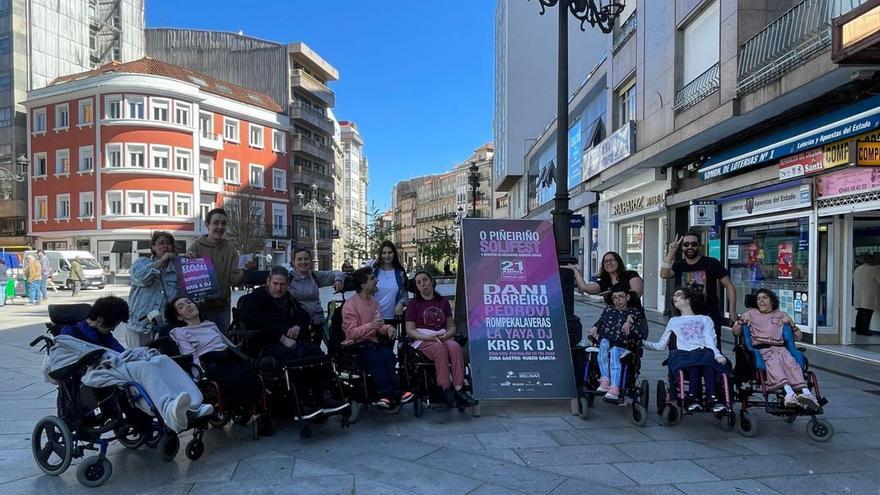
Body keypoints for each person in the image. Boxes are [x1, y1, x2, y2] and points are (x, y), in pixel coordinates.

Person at [59, 296, 213, 432]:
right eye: (113, 324)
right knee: (143, 368)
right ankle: (168, 411)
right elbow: (72, 359)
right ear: (100, 320)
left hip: (117, 364)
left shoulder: (105, 334)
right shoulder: (71, 333)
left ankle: (194, 405)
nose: (113, 328)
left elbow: (121, 352)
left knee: (162, 360)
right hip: (97, 370)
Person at [238, 267, 349, 418]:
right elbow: (254, 323)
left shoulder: (288, 298)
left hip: (291, 342)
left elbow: (303, 315)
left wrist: (298, 326)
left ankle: (324, 395)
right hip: (264, 344)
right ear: (268, 282)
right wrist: (281, 338)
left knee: (317, 354)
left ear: (288, 284)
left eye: (282, 284)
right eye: (275, 284)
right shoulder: (254, 299)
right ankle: (303, 403)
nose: (278, 288)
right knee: (295, 359)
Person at [165, 296, 263, 419]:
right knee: (228, 375)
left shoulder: (210, 324)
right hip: (209, 359)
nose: (188, 305)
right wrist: (199, 373)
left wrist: (241, 352)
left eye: (189, 302)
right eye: (181, 306)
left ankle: (256, 408)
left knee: (250, 370)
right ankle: (239, 406)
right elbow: (190, 355)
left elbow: (226, 342)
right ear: (179, 317)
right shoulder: (180, 332)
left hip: (227, 354)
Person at [644, 288, 730, 414]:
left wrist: (717, 354)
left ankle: (712, 398)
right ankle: (693, 398)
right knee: (695, 363)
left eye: (678, 295)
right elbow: (661, 345)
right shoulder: (674, 321)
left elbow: (710, 340)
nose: (674, 298)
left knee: (707, 362)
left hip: (703, 352)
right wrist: (642, 343)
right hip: (685, 354)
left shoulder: (705, 319)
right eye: (673, 297)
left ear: (688, 299)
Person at [732, 289, 820, 410]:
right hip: (762, 350)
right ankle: (789, 393)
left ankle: (807, 394)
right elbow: (736, 332)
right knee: (775, 361)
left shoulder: (781, 315)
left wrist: (792, 324)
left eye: (764, 298)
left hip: (781, 349)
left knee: (791, 362)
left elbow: (798, 337)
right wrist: (741, 320)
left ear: (772, 301)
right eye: (758, 299)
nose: (761, 301)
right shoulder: (750, 314)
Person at [404, 270, 478, 408]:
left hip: (442, 335)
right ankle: (445, 388)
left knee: (455, 347)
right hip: (423, 338)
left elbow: (451, 326)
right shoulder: (413, 304)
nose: (422, 284)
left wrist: (447, 335)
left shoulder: (442, 302)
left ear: (431, 281)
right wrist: (428, 337)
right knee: (439, 349)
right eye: (419, 283)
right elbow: (410, 330)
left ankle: (459, 388)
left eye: (425, 280)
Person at [341, 267, 412, 409]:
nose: (376, 280)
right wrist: (371, 326)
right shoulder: (350, 305)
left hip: (371, 342)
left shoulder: (374, 302)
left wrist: (388, 329)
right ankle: (384, 394)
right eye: (372, 278)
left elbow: (379, 325)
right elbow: (351, 333)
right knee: (375, 358)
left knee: (389, 356)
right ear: (363, 284)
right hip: (355, 345)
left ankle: (396, 392)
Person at [660, 232, 737, 349]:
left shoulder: (712, 263)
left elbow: (729, 285)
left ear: (699, 246)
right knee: (683, 349)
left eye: (693, 244)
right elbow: (664, 274)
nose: (690, 247)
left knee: (712, 349)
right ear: (682, 247)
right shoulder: (679, 265)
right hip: (685, 316)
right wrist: (671, 252)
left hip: (709, 314)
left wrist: (732, 311)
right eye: (686, 244)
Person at [186, 208, 248, 334]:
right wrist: (189, 262)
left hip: (222, 308)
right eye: (216, 223)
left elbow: (234, 281)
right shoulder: (195, 247)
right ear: (207, 225)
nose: (220, 226)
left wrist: (244, 271)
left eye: (223, 223)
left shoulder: (231, 249)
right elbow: (188, 280)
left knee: (222, 343)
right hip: (200, 309)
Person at [586, 285, 647, 401]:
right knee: (603, 343)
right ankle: (605, 379)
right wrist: (594, 328)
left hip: (624, 346)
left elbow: (640, 334)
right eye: (614, 298)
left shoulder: (633, 313)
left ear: (628, 297)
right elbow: (600, 322)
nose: (617, 300)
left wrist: (630, 325)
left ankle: (614, 387)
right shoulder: (609, 310)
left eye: (621, 297)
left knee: (614, 351)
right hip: (607, 343)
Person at [128, 232, 180, 348]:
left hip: (163, 327)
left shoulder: (177, 270)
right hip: (139, 326)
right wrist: (161, 261)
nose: (166, 246)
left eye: (169, 243)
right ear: (153, 247)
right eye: (161, 243)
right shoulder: (141, 262)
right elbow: (141, 277)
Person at [287, 247, 345, 346]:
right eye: (299, 259)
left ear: (310, 260)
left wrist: (338, 280)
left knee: (316, 353)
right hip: (298, 325)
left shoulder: (314, 276)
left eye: (306, 259)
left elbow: (338, 273)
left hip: (317, 322)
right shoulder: (289, 278)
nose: (303, 262)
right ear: (294, 261)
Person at [563, 251, 644, 300]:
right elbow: (585, 288)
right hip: (611, 319)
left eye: (611, 260)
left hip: (630, 317)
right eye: (605, 262)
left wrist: (613, 293)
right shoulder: (605, 282)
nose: (608, 263)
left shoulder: (631, 275)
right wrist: (576, 271)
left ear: (618, 262)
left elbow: (637, 294)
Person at [373, 240, 408, 325]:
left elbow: (404, 294)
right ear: (380, 255)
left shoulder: (400, 273)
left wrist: (401, 303)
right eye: (384, 253)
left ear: (394, 254)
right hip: (373, 318)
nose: (387, 256)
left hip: (392, 318)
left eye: (390, 252)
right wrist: (338, 279)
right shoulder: (373, 271)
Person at [852, 253, 880, 336]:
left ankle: (858, 330)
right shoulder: (873, 270)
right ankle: (864, 331)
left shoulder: (857, 269)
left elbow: (853, 282)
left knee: (860, 313)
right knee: (867, 314)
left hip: (858, 295)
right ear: (871, 261)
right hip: (868, 296)